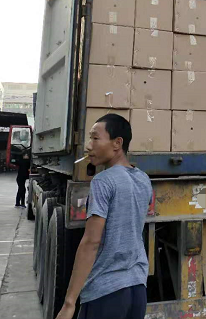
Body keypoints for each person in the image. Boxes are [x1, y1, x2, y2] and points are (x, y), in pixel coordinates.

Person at [55, 113, 153, 319]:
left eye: (95, 138)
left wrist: (69, 303)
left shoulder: (103, 181)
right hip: (137, 289)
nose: (88, 146)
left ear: (117, 143)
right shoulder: (143, 179)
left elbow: (92, 242)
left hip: (106, 293)